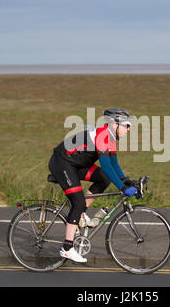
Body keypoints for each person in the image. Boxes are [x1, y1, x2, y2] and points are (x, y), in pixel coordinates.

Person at [48, 108, 138, 263]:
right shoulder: (102, 136)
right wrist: (122, 188)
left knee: (103, 178)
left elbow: (113, 165)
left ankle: (81, 213)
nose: (128, 129)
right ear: (114, 124)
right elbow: (107, 166)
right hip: (62, 163)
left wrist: (126, 181)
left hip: (75, 164)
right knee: (78, 202)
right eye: (126, 125)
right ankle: (67, 249)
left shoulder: (111, 138)